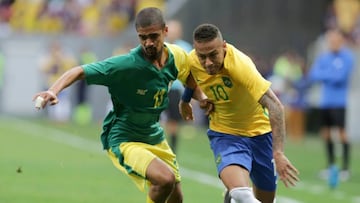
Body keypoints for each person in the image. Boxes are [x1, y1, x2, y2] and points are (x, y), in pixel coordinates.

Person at [33, 7, 208, 203]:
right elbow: (79, 71)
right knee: (164, 180)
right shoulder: (125, 65)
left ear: (165, 32)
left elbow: (187, 75)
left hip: (153, 134)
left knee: (176, 196)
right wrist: (53, 90)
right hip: (125, 138)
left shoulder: (176, 55)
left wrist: (191, 98)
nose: (148, 42)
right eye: (143, 37)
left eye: (153, 36)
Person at [179, 24, 299, 203]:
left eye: (213, 55)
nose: (208, 62)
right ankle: (234, 195)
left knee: (265, 199)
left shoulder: (241, 66)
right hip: (226, 134)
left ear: (224, 46)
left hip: (260, 134)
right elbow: (189, 78)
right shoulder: (191, 60)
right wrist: (190, 98)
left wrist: (279, 153)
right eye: (202, 56)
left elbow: (275, 106)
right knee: (242, 195)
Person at [308, 28, 354, 182]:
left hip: (339, 102)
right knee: (326, 134)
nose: (332, 42)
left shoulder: (347, 57)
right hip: (325, 101)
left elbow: (340, 77)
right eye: (330, 40)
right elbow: (314, 74)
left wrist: (326, 74)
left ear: (341, 40)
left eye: (335, 39)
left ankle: (345, 169)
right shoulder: (324, 57)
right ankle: (331, 166)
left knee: (341, 134)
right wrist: (330, 74)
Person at [161, 19, 192, 153]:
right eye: (170, 29)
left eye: (175, 30)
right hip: (159, 88)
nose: (172, 33)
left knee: (173, 121)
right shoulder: (159, 46)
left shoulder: (185, 48)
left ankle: (172, 151)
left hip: (175, 90)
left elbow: (191, 71)